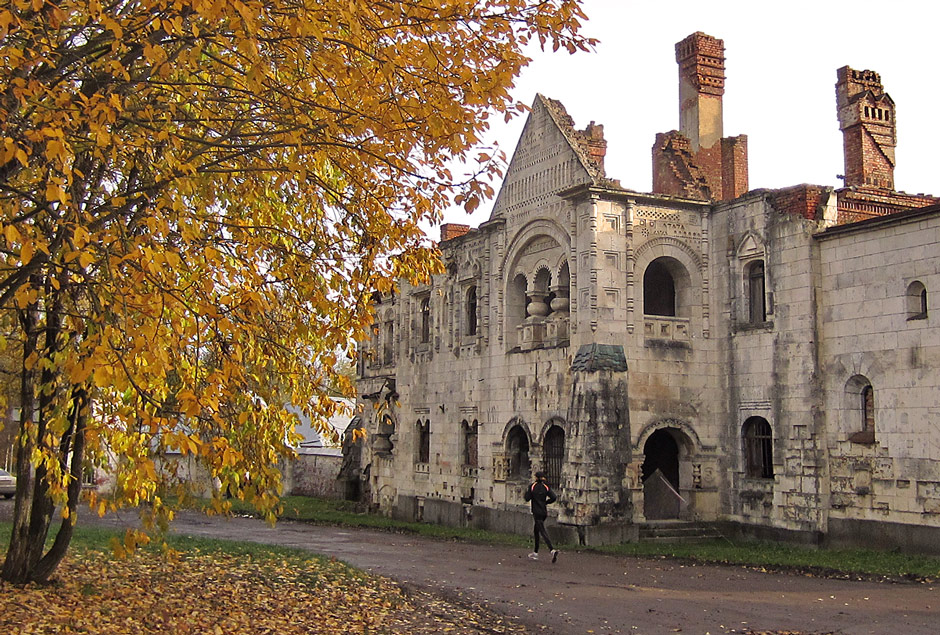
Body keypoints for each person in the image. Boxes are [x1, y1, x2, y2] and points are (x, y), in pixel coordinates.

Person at [524, 471, 559, 562]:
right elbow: (554, 497)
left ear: (536, 477)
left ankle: (552, 550)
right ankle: (535, 553)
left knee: (542, 531)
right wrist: (546, 502)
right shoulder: (545, 487)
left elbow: (527, 498)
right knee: (536, 531)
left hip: (536, 511)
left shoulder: (532, 486)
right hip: (544, 512)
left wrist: (528, 493)